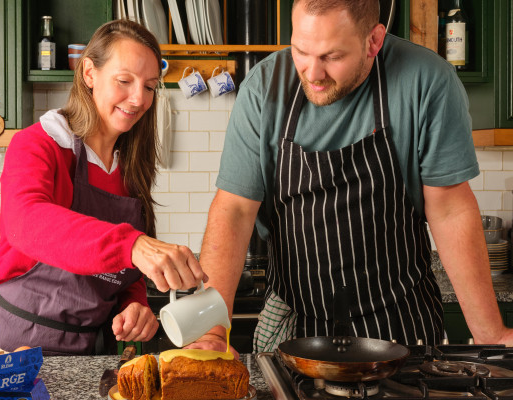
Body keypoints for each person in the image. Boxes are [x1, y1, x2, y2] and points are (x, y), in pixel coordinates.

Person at [188, 0, 513, 354]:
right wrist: (211, 332)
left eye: (332, 56)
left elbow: (449, 209)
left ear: (374, 41)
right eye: (301, 50)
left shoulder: (427, 80)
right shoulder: (264, 87)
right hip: (295, 325)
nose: (313, 73)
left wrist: (490, 334)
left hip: (400, 325)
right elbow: (234, 209)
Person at [0, 19, 204, 356]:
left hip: (92, 352)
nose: (139, 98)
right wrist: (134, 245)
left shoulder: (129, 167)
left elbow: (123, 273)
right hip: (13, 345)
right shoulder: (38, 144)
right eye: (124, 81)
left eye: (151, 86)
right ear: (89, 74)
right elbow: (27, 223)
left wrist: (134, 303)